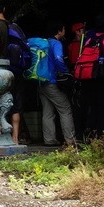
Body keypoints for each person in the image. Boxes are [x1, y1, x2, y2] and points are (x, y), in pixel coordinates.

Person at [0, 0, 24, 144]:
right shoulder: (14, 26)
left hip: (1, 70)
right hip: (16, 69)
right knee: (15, 103)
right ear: (3, 9)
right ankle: (15, 139)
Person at [37, 20, 77, 148]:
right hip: (52, 82)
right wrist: (65, 72)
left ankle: (49, 139)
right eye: (63, 29)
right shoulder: (56, 43)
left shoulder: (44, 43)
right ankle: (70, 140)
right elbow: (59, 59)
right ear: (59, 31)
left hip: (40, 82)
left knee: (48, 112)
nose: (64, 32)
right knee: (65, 109)